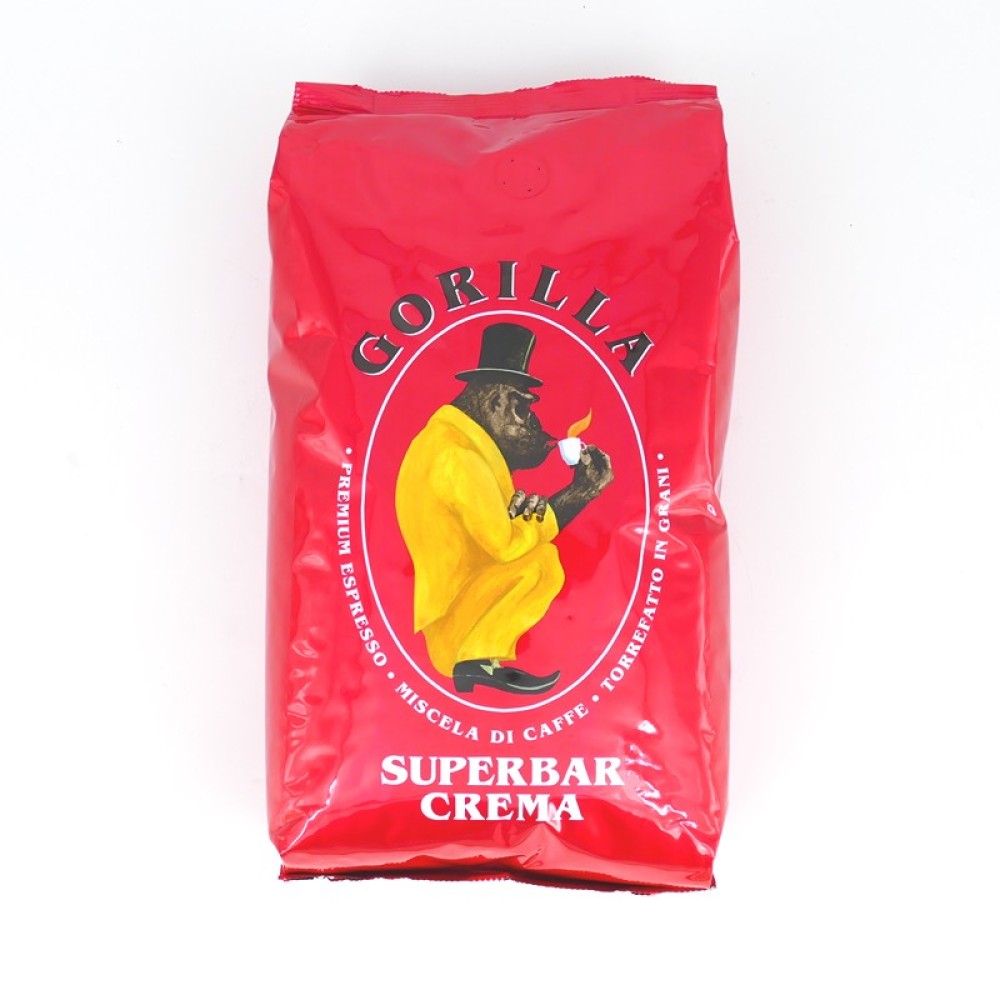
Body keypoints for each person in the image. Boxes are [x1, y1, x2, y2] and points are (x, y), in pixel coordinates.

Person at [395, 322, 614, 696]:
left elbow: (491, 537)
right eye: (522, 408)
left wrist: (525, 517)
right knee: (542, 563)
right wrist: (576, 495)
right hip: (454, 632)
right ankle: (474, 662)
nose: (531, 424)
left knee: (538, 555)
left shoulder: (452, 441)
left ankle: (479, 661)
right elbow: (506, 546)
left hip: (462, 606)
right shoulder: (458, 456)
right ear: (497, 401)